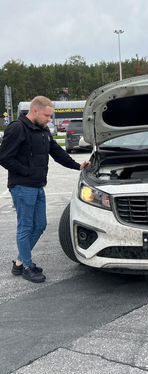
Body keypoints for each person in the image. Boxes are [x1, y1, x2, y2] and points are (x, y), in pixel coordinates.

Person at [0, 96, 91, 283]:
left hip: (38, 185)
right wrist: (27, 172)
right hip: (22, 186)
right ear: (35, 111)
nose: (50, 120)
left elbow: (56, 152)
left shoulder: (43, 131)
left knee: (40, 225)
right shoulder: (17, 128)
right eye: (47, 116)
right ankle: (26, 266)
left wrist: (77, 166)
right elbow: (4, 158)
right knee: (25, 226)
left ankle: (19, 262)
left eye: (51, 117)